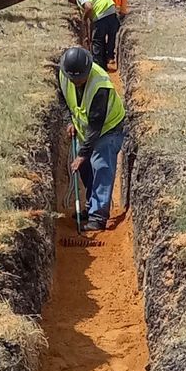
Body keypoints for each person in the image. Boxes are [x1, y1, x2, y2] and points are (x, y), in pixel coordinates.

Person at [57, 43, 126, 234]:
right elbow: (63, 99)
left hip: (108, 128)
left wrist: (82, 154)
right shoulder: (63, 74)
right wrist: (67, 120)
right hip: (83, 128)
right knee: (86, 169)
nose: (76, 82)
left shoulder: (100, 85)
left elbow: (96, 125)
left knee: (101, 166)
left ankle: (98, 216)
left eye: (80, 79)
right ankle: (91, 205)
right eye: (74, 79)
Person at [64, 0, 121, 66]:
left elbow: (89, 7)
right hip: (112, 10)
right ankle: (109, 57)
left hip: (101, 12)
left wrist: (83, 18)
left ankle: (99, 66)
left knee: (97, 41)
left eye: (71, 1)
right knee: (111, 36)